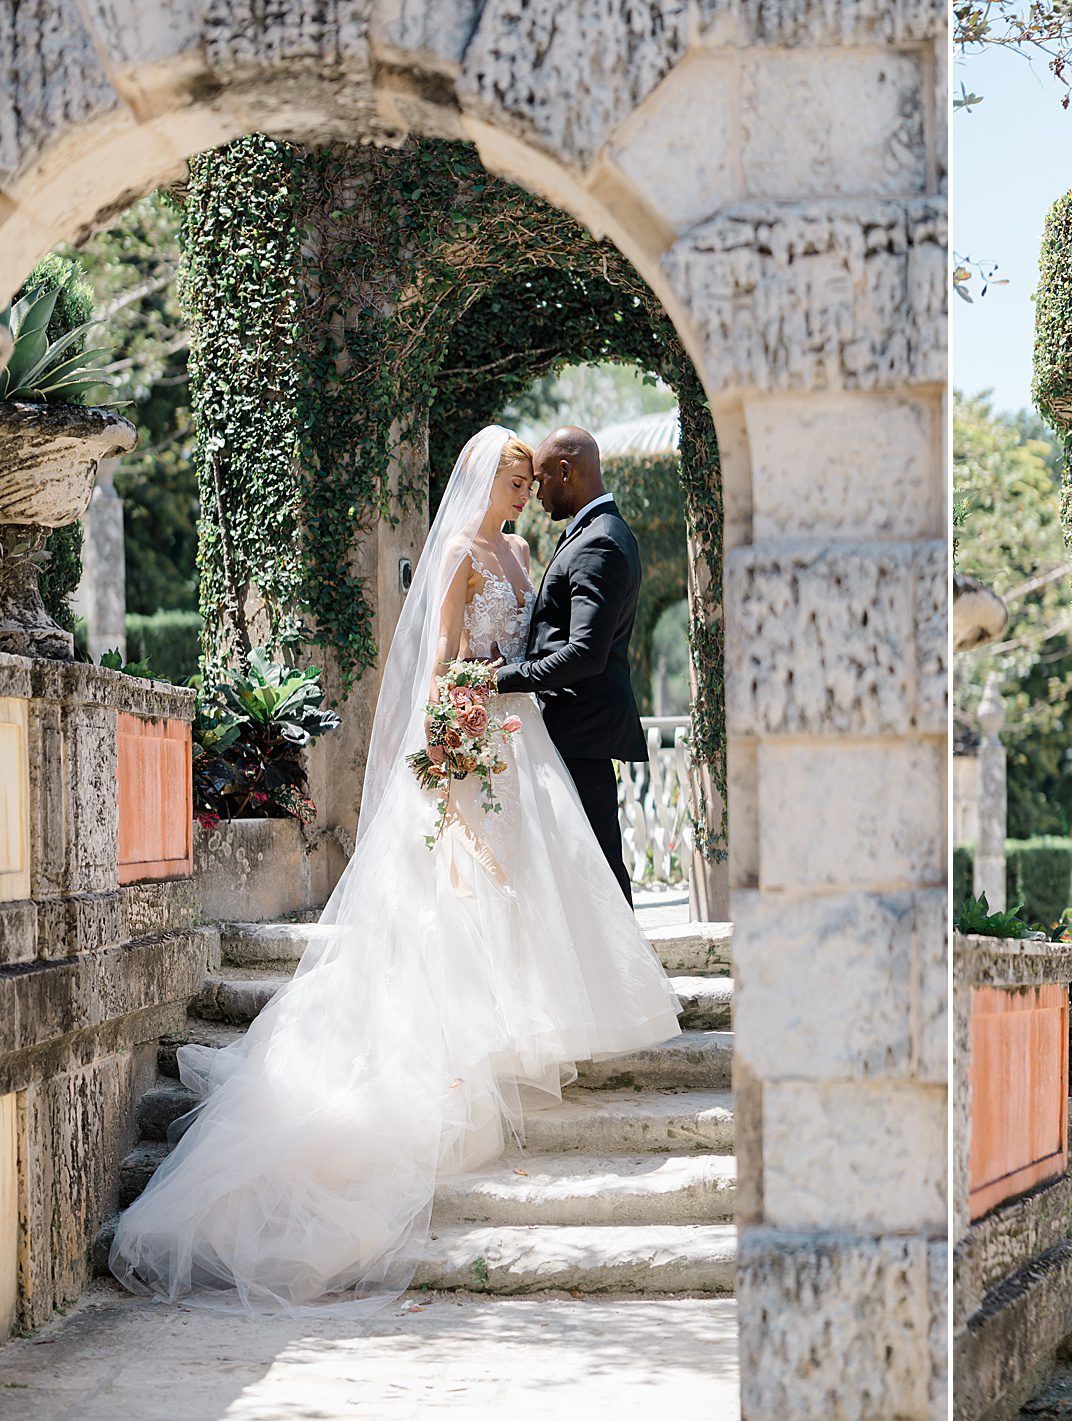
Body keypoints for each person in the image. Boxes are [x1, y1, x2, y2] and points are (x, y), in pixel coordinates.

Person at [109, 427, 681, 1313]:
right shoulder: (457, 551)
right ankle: (455, 1049)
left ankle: (518, 1023)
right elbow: (440, 662)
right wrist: (459, 726)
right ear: (483, 475)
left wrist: (501, 690)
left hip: (520, 740)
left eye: (532, 475)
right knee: (460, 900)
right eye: (513, 473)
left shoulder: (527, 548)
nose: (524, 487)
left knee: (530, 893)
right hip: (479, 735)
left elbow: (536, 642)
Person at [497, 426, 646, 902]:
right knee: (581, 866)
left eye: (540, 480)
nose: (537, 492)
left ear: (565, 471)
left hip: (583, 732)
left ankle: (626, 976)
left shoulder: (598, 542)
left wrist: (505, 680)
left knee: (598, 866)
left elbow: (585, 653)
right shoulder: (591, 531)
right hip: (572, 729)